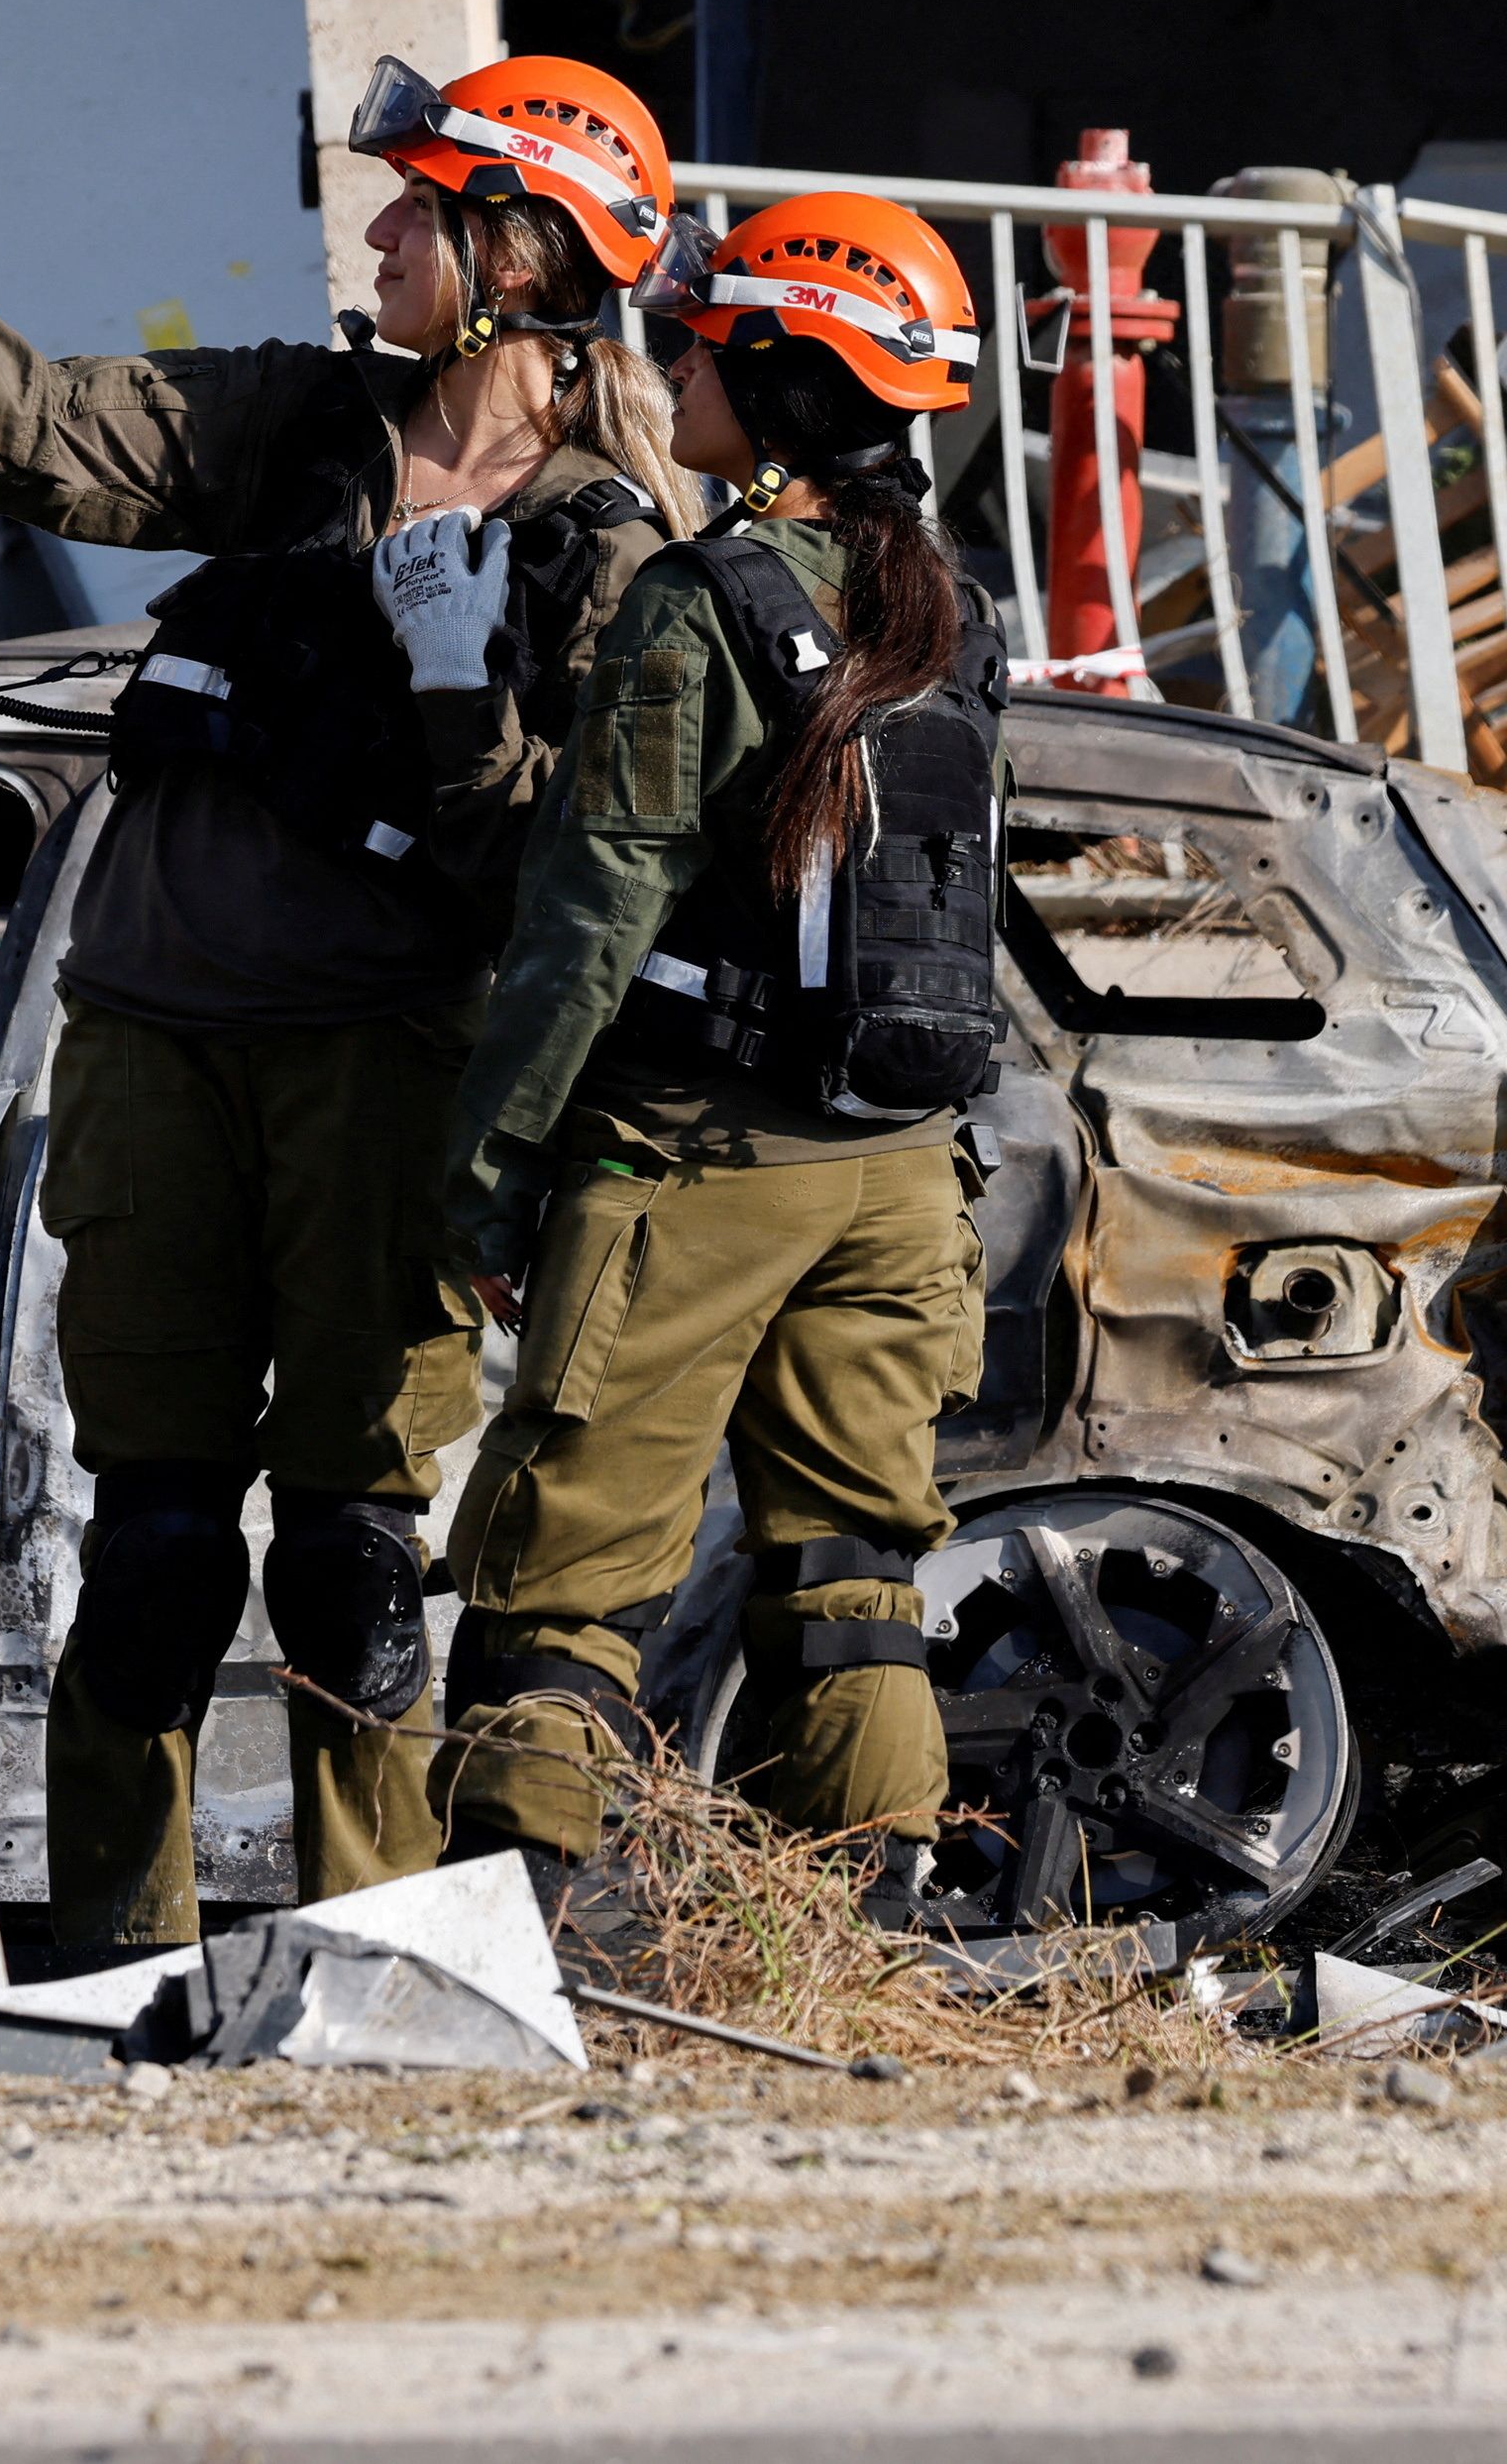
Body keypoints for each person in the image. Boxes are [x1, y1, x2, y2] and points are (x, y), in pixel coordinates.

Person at [0, 47, 700, 1958]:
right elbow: (27, 426)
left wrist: (458, 717)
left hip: (384, 1074)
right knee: (147, 1556)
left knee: (347, 1566)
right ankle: (106, 1969)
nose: (382, 228)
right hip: (156, 1034)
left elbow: (599, 875)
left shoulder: (609, 552)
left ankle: (380, 1979)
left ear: (519, 258)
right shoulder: (303, 429)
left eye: (422, 207)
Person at [424, 191, 1007, 1910]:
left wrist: (484, 1170)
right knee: (851, 1574)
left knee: (564, 1576)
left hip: (696, 1163)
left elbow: (594, 906)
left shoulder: (702, 602)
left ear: (782, 373)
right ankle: (874, 1949)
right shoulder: (956, 611)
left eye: (704, 342)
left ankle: (502, 1941)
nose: (673, 363)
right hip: (903, 1181)